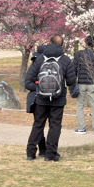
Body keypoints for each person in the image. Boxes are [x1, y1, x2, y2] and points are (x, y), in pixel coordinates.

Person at [23, 34, 78, 162]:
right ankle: (50, 155)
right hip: (58, 99)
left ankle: (30, 153)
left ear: (49, 42)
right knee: (55, 126)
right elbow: (71, 81)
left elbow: (27, 82)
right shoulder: (65, 60)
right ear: (62, 45)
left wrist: (38, 88)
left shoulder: (40, 59)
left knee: (38, 125)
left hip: (41, 98)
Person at [73, 34, 94, 134]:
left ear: (85, 43)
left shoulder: (79, 54)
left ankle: (81, 128)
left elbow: (74, 68)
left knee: (79, 105)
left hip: (81, 82)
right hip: (92, 82)